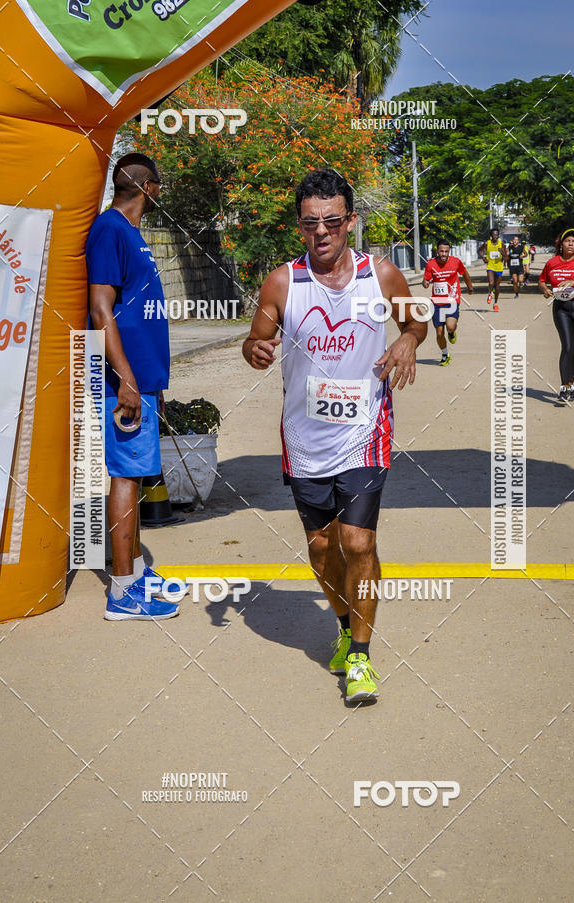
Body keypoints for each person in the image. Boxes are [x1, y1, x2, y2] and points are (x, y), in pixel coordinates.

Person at [242, 169, 426, 704]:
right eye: (310, 223)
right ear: (299, 227)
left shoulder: (382, 273)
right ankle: (344, 627)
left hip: (365, 428)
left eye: (331, 221)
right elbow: (256, 341)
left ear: (350, 221)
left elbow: (417, 320)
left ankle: (362, 659)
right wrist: (254, 350)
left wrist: (409, 341)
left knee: (357, 541)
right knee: (323, 548)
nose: (321, 232)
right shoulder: (281, 283)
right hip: (304, 436)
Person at [87, 153, 182, 620]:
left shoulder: (130, 233)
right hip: (122, 383)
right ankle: (123, 593)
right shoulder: (110, 229)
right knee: (125, 476)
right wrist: (126, 378)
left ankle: (137, 573)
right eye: (159, 185)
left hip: (141, 382)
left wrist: (151, 383)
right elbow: (101, 310)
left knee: (137, 473)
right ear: (149, 186)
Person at [538, 228, 574, 402]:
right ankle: (564, 387)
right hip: (561, 308)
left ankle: (571, 384)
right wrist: (546, 290)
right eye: (567, 241)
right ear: (561, 244)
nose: (570, 244)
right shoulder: (552, 262)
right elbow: (542, 281)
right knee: (567, 346)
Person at [422, 239, 473, 366]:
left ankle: (451, 332)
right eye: (441, 251)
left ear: (449, 251)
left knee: (450, 326)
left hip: (452, 299)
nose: (444, 254)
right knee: (439, 332)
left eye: (446, 251)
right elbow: (426, 280)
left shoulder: (456, 262)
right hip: (437, 302)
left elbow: (464, 273)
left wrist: (470, 286)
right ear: (437, 251)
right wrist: (426, 283)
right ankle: (445, 354)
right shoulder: (431, 264)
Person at [478, 228, 507, 311]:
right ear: (491, 236)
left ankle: (496, 303)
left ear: (498, 235)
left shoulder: (502, 244)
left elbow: (506, 257)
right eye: (493, 235)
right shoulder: (487, 243)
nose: (495, 236)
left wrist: (503, 253)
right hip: (490, 266)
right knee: (491, 283)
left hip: (499, 267)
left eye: (496, 235)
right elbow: (479, 250)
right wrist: (483, 257)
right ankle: (490, 293)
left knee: (497, 287)